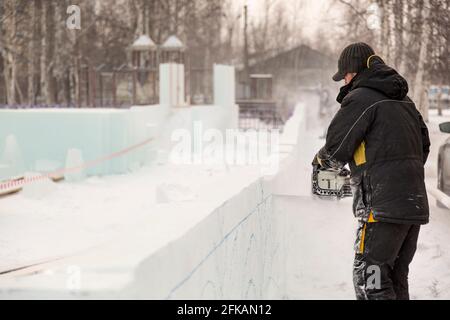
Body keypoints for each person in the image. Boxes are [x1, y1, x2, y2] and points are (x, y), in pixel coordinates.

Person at [312, 42, 430, 300]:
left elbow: (335, 149)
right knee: (395, 280)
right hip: (412, 208)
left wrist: (320, 164)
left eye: (344, 75)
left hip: (382, 212)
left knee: (371, 280)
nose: (343, 80)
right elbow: (424, 145)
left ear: (354, 71)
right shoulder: (405, 101)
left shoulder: (361, 98)